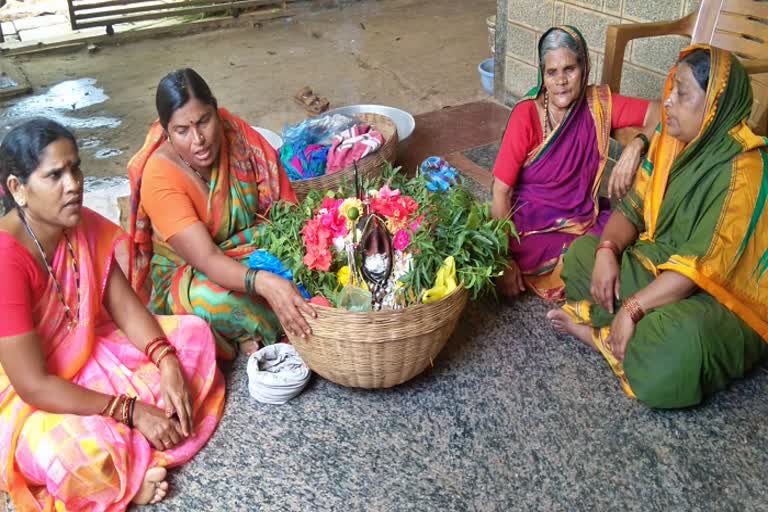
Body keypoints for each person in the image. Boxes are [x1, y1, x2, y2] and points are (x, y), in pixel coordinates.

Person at [0, 118, 225, 510]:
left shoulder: (76, 222)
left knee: (193, 336)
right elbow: (33, 384)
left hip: (87, 354)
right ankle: (123, 477)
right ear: (18, 189)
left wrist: (166, 359)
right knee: (76, 458)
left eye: (75, 168)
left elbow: (124, 307)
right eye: (55, 175)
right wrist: (131, 410)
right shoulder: (6, 260)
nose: (74, 184)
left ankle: (129, 456)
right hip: (29, 395)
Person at [547, 45, 768, 408]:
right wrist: (607, 251)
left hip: (724, 298)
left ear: (714, 105)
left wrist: (634, 307)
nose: (667, 103)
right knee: (582, 255)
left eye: (682, 94)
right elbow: (632, 211)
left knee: (678, 347)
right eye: (671, 90)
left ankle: (600, 336)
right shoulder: (671, 140)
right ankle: (622, 337)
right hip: (666, 270)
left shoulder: (746, 170)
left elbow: (699, 271)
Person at [128, 68, 315, 360]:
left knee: (313, 255)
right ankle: (258, 326)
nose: (198, 139)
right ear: (166, 132)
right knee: (217, 300)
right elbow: (207, 258)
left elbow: (282, 211)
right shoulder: (160, 175)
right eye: (182, 131)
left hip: (251, 243)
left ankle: (269, 317)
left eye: (204, 121)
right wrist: (265, 282)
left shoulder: (235, 133)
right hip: (192, 272)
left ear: (216, 110)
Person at [491, 26, 661, 301]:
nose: (561, 81)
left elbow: (659, 109)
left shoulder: (598, 105)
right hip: (532, 225)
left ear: (585, 68)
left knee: (624, 242)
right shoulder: (526, 115)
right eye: (551, 72)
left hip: (583, 217)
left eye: (569, 69)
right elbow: (501, 191)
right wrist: (504, 259)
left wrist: (636, 145)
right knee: (589, 263)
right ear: (542, 75)